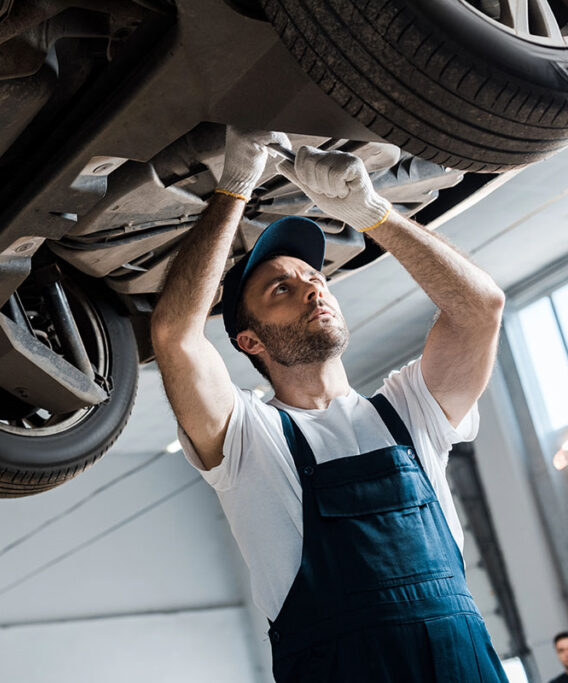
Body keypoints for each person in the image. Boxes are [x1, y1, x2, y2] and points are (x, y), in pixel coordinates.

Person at [151, 128, 509, 682]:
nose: (313, 289)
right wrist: (235, 189)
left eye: (315, 277)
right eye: (282, 290)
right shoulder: (249, 437)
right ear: (250, 342)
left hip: (462, 661)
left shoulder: (410, 411)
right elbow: (176, 333)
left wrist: (373, 213)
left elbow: (481, 308)